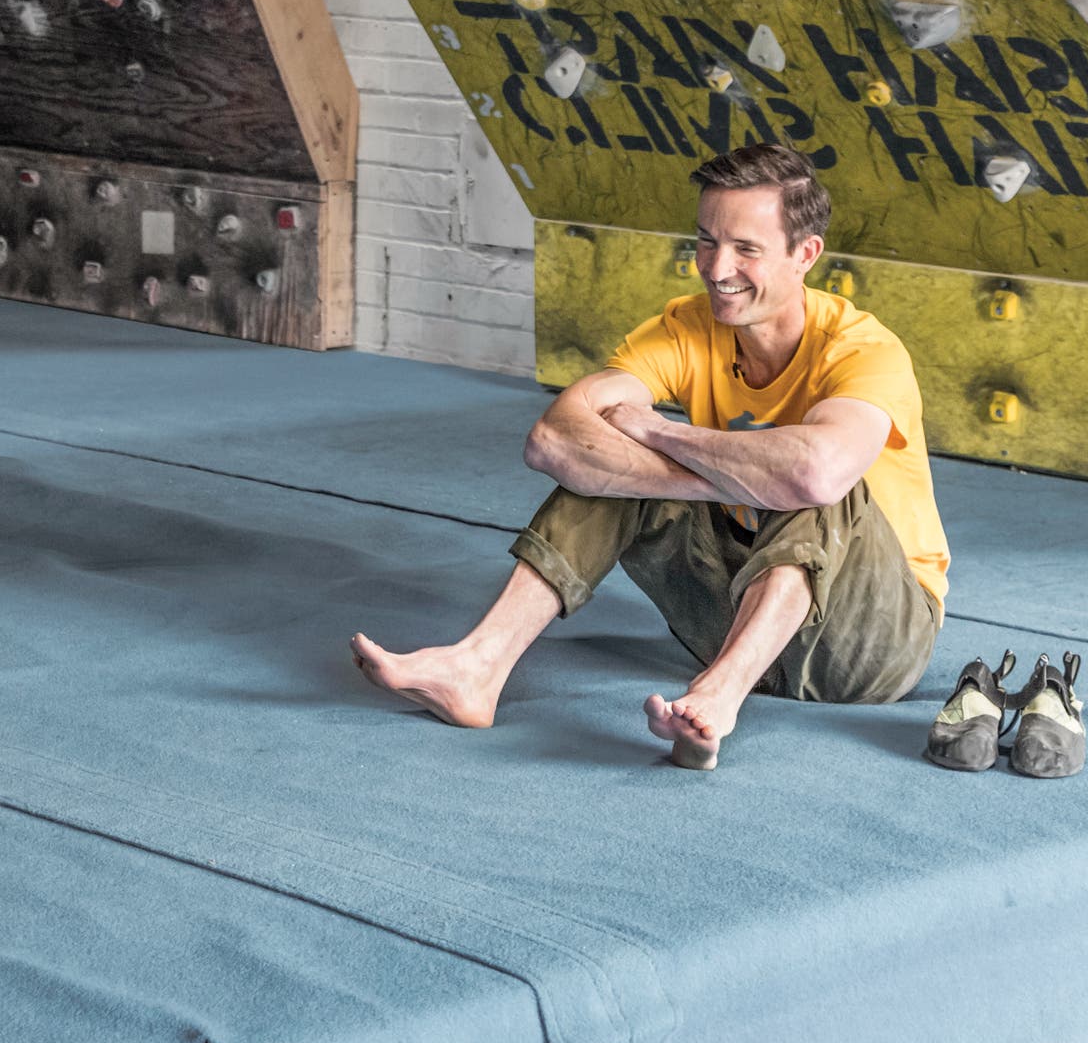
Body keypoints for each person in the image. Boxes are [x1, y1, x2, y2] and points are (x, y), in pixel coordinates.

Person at [351, 139, 949, 766]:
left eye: (747, 249)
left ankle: (716, 699)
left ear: (806, 254)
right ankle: (476, 667)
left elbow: (813, 472)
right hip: (734, 612)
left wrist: (662, 433)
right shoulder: (687, 327)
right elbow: (553, 438)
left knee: (821, 481)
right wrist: (719, 480)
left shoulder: (862, 350)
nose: (718, 269)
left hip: (872, 642)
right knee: (610, 467)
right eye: (706, 241)